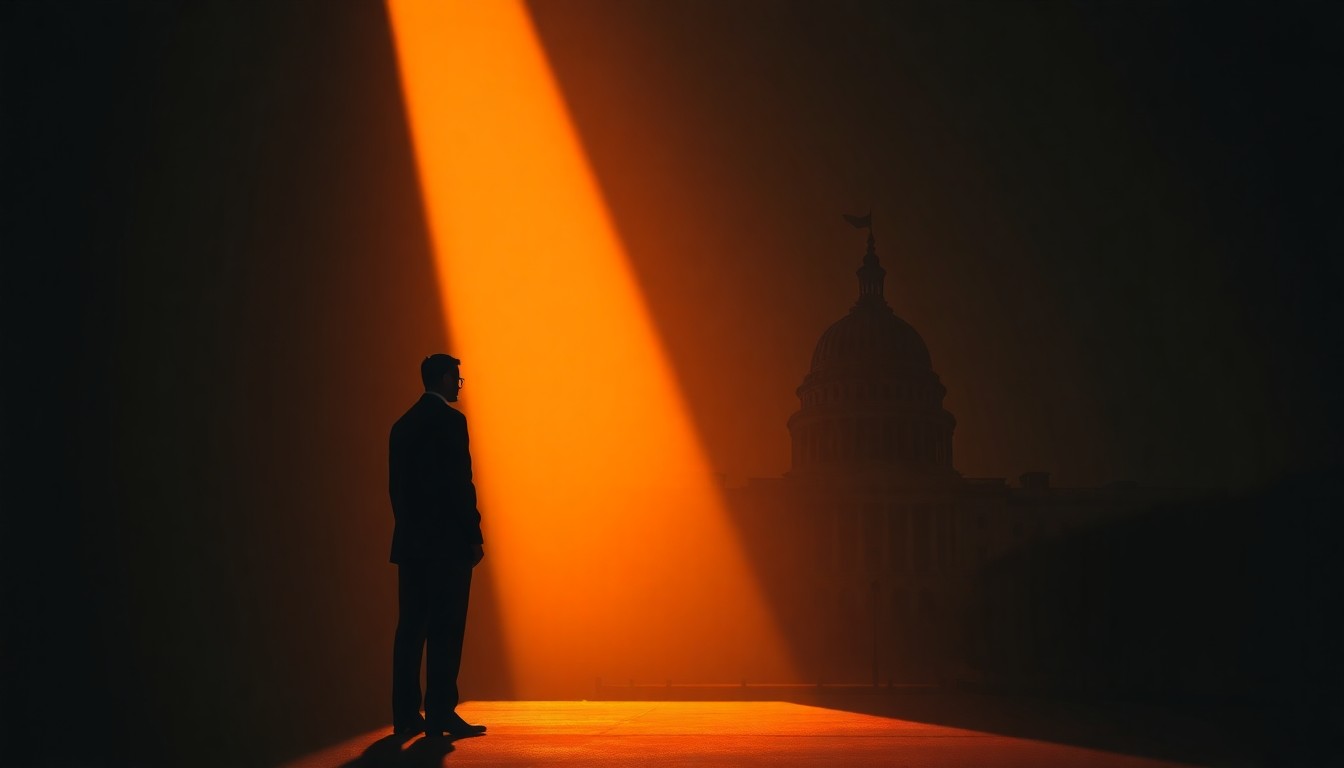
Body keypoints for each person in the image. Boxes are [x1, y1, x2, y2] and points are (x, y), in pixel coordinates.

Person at [388, 353, 487, 738]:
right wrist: (473, 534)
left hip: (412, 545)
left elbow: (395, 489)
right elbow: (460, 485)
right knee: (446, 628)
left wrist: (408, 529)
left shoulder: (402, 425)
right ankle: (441, 712)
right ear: (446, 378)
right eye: (457, 378)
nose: (458, 384)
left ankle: (405, 714)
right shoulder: (451, 422)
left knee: (410, 628)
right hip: (447, 546)